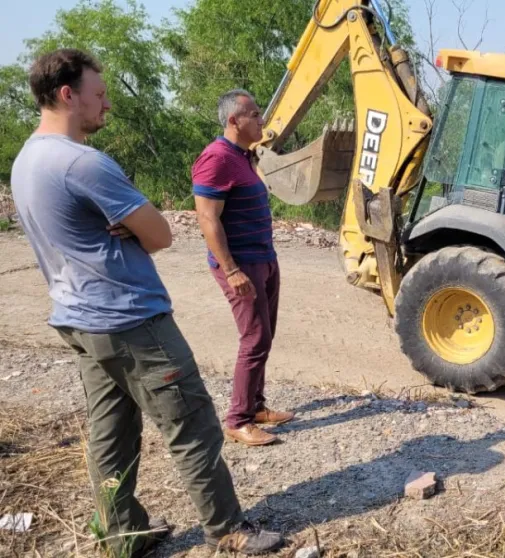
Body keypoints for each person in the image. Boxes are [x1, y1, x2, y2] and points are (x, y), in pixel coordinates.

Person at [10, 49, 283, 555]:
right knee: (193, 425)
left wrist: (123, 228)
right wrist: (133, 228)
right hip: (131, 318)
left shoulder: (26, 160)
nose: (107, 105)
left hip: (78, 318)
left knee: (111, 431)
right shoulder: (82, 162)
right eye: (99, 94)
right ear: (67, 94)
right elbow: (160, 234)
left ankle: (121, 533)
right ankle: (227, 530)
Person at [192, 89, 294, 448]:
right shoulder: (216, 158)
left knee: (265, 336)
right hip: (241, 265)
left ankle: (257, 406)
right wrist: (231, 269)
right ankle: (238, 419)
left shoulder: (244, 157)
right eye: (254, 114)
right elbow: (207, 218)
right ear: (234, 121)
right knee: (254, 339)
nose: (261, 119)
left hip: (263, 258)